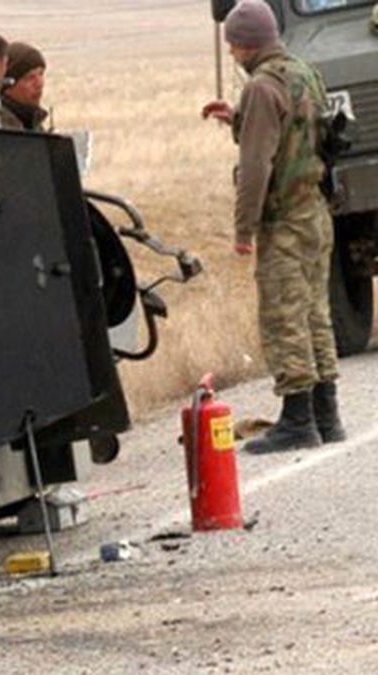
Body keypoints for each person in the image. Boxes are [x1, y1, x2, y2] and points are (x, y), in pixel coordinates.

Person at [201, 0, 345, 454]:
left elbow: (257, 165)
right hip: (316, 211)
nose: (232, 53)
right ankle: (327, 414)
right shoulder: (303, 71)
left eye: (233, 45)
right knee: (315, 314)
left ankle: (298, 419)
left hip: (284, 218)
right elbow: (298, 132)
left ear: (244, 45)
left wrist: (244, 230)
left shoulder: (263, 87)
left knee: (283, 315)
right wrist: (238, 118)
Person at [1, 42, 49, 131]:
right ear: (8, 87)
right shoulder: (1, 129)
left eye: (41, 74)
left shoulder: (32, 122)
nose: (39, 84)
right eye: (30, 78)